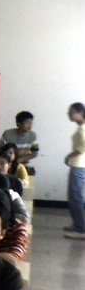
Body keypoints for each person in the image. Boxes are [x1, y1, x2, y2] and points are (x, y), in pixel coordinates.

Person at [63, 102, 85, 239]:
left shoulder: (82, 129)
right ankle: (77, 224)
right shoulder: (81, 127)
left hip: (79, 166)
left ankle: (81, 230)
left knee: (75, 197)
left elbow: (82, 148)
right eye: (69, 113)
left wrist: (68, 156)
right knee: (75, 197)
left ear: (81, 113)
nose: (70, 115)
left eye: (72, 113)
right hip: (80, 165)